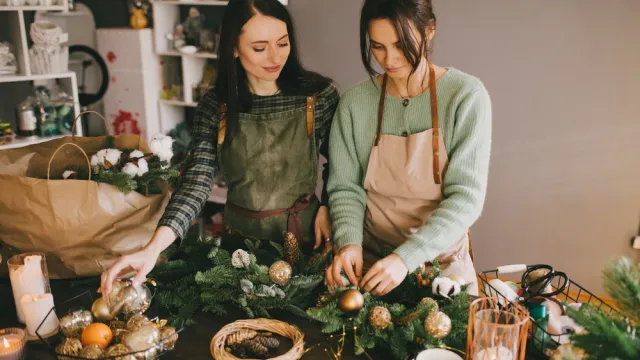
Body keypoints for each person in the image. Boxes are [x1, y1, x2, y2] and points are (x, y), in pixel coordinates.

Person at [100, 0, 339, 295]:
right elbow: (196, 182)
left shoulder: (318, 96)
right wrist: (152, 249)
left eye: (283, 43)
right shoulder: (216, 105)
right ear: (234, 49)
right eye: (260, 48)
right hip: (239, 249)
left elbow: (341, 163)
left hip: (304, 239)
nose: (276, 57)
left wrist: (328, 204)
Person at [325, 0, 491, 297]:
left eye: (401, 44)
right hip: (372, 267)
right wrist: (349, 243)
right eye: (377, 46)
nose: (389, 59)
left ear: (429, 31)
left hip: (443, 269)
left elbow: (467, 197)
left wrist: (405, 259)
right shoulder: (354, 103)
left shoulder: (466, 97)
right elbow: (345, 187)